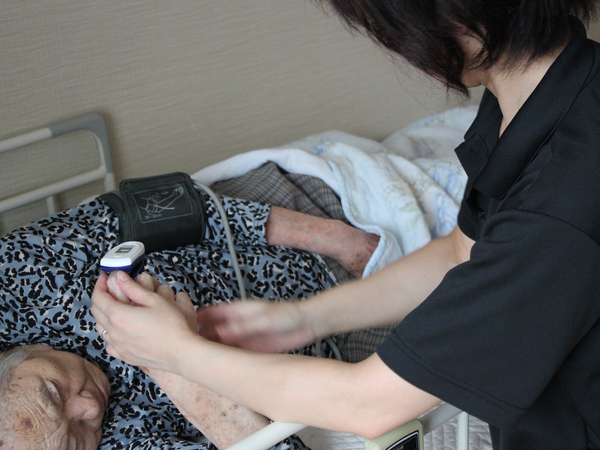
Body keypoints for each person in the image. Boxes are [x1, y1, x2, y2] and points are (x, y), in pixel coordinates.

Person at [91, 1, 600, 449]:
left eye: (389, 28)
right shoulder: (545, 92)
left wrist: (177, 354)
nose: (397, 48)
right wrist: (303, 319)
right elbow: (459, 252)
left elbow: (369, 403)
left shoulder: (559, 202)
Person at [0, 180, 378, 450]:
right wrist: (169, 360)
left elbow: (153, 208)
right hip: (338, 347)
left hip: (283, 220)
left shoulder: (12, 281)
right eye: (74, 442)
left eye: (54, 392)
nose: (91, 407)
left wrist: (342, 241)